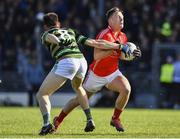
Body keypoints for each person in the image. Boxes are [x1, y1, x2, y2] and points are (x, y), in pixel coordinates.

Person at [37, 12, 134, 135]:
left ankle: (47, 124)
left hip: (96, 68)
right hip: (89, 68)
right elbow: (96, 49)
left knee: (42, 94)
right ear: (59, 24)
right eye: (118, 17)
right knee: (78, 93)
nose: (121, 19)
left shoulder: (46, 33)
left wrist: (130, 54)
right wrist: (118, 48)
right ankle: (74, 119)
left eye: (122, 17)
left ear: (45, 26)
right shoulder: (77, 32)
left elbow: (49, 37)